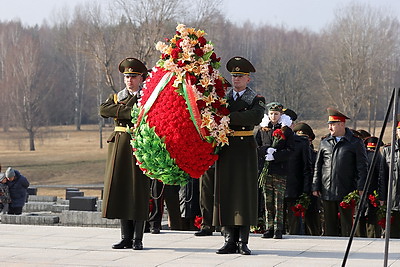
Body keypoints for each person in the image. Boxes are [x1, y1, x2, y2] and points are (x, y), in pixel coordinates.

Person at [213, 56, 265, 255]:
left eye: (240, 76)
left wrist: (227, 116)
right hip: (226, 147)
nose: (236, 80)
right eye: (234, 76)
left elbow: (255, 116)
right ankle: (228, 239)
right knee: (226, 192)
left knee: (243, 194)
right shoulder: (223, 98)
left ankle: (243, 240)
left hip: (244, 149)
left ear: (248, 79)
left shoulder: (255, 99)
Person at [100, 57, 150, 250]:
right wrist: (129, 111)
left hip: (140, 146)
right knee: (122, 190)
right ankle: (125, 237)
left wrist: (120, 111)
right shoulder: (117, 96)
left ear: (141, 78)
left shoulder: (148, 97)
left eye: (133, 76)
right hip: (120, 148)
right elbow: (103, 109)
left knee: (138, 191)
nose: (129, 80)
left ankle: (138, 238)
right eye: (127, 76)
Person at [312, 108, 367, 237]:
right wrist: (315, 186)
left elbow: (362, 167)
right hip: (327, 190)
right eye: (329, 125)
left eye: (333, 124)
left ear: (342, 124)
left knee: (346, 226)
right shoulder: (325, 142)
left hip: (346, 191)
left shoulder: (355, 142)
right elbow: (318, 166)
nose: (330, 128)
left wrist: (361, 187)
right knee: (329, 226)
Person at [256, 102, 295, 239]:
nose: (274, 116)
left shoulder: (286, 130)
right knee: (268, 200)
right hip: (266, 170)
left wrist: (276, 155)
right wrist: (265, 151)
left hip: (280, 169)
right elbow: (256, 146)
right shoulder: (262, 129)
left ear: (281, 115)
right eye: (271, 114)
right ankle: (269, 227)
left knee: (279, 200)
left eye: (276, 114)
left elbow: (291, 150)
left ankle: (279, 228)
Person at [284, 121, 313, 235]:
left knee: (295, 227)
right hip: (277, 188)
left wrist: (305, 192)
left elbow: (307, 169)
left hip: (294, 190)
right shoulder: (274, 139)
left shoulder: (301, 144)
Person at [355, 136, 382, 238]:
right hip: (370, 194)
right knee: (371, 227)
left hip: (366, 195)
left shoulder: (364, 156)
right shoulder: (377, 157)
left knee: (361, 224)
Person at [379, 122, 400, 238]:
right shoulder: (388, 150)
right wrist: (382, 197)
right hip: (393, 200)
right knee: (393, 235)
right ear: (396, 131)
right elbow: (383, 177)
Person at [195, 164, 216, 236]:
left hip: (223, 163)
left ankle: (224, 227)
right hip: (205, 163)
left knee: (222, 194)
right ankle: (207, 226)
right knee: (205, 195)